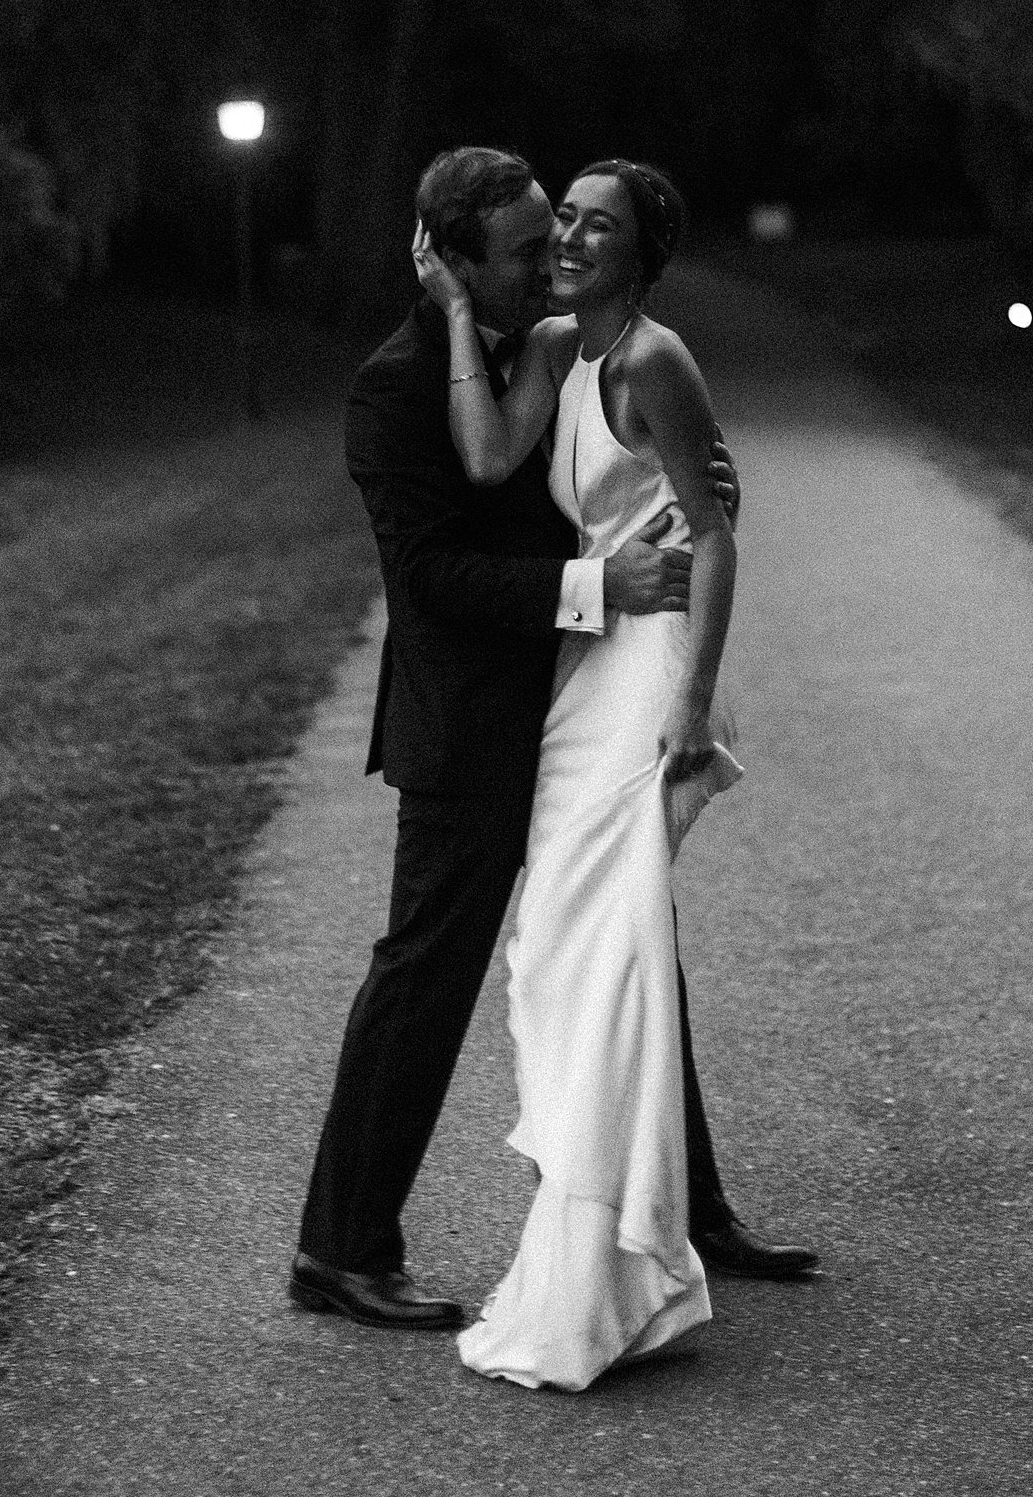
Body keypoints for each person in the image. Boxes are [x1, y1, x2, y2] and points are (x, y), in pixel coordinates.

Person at [290, 147, 815, 1341]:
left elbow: (650, 486)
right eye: (526, 247)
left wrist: (688, 498)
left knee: (630, 940)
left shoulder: (563, 348)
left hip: (583, 695)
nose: (549, 258)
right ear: (454, 264)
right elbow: (429, 579)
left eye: (560, 234)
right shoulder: (393, 386)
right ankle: (340, 1249)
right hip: (471, 725)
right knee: (426, 978)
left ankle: (690, 1208)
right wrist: (598, 584)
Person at [417, 156, 751, 1388]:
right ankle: (629, 1225)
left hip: (648, 672)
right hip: (583, 662)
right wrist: (461, 312)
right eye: (564, 216)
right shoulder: (558, 348)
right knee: (559, 951)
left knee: (608, 950)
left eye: (596, 226)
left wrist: (694, 706)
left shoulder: (659, 360)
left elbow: (711, 539)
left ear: (641, 254)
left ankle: (617, 1263)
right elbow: (490, 456)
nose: (568, 235)